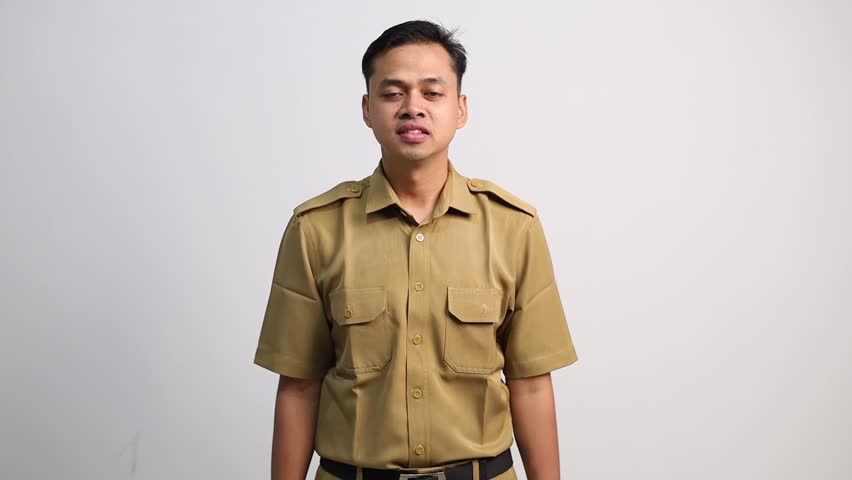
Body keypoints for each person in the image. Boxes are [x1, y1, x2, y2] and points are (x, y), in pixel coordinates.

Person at [254, 20, 578, 480]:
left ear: (460, 109)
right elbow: (298, 386)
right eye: (393, 93)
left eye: (432, 92)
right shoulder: (316, 230)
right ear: (367, 109)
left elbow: (530, 385)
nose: (413, 108)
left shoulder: (514, 228)